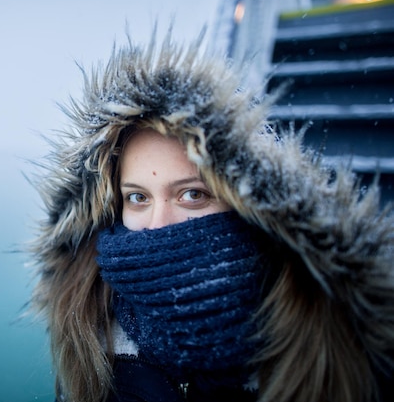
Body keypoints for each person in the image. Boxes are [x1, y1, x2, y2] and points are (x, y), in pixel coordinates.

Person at [28, 30, 394, 402]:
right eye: (137, 197)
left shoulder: (328, 343)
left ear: (245, 206)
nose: (157, 225)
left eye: (192, 194)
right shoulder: (90, 325)